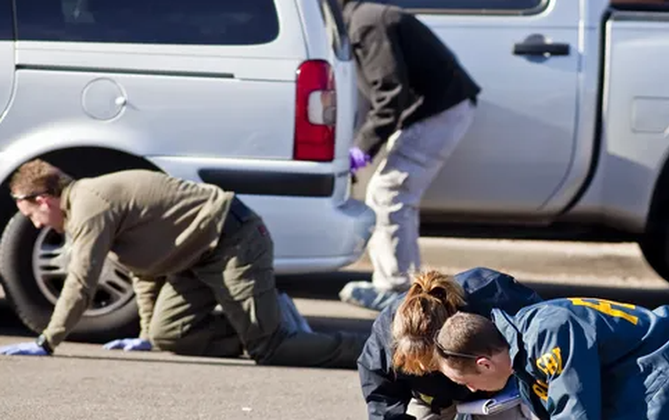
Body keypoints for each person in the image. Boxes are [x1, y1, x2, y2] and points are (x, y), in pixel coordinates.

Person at [0, 159, 365, 368]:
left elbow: (81, 282)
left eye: (31, 215)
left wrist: (48, 341)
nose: (36, 225)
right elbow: (144, 271)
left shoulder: (89, 207)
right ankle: (268, 320)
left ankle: (371, 350)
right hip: (195, 257)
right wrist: (145, 336)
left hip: (233, 239)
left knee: (271, 349)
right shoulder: (90, 203)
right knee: (168, 335)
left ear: (44, 199)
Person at [337, 0, 482, 312]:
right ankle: (401, 284)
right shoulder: (363, 19)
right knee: (390, 194)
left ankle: (396, 288)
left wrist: (361, 150)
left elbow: (389, 93)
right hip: (438, 109)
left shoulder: (366, 23)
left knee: (390, 192)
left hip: (440, 111)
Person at [433, 298, 669, 420]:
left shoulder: (548, 335)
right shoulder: (523, 335)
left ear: (484, 364)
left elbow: (576, 412)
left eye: (465, 382)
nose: (470, 391)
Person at [358, 267, 543, 419]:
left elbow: (543, 341)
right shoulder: (386, 333)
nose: (423, 368)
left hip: (500, 390)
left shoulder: (495, 298)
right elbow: (381, 397)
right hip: (435, 399)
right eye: (419, 368)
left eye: (432, 365)